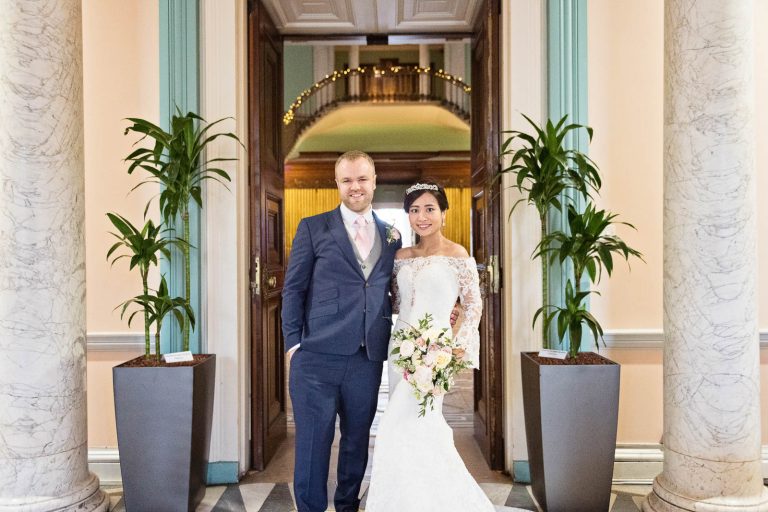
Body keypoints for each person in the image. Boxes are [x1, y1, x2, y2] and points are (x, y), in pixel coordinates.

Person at [281, 151, 402, 512]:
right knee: (314, 443)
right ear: (337, 183)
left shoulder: (391, 235)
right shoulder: (313, 227)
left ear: (374, 180)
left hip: (367, 357)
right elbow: (293, 289)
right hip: (316, 357)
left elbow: (392, 289)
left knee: (356, 441)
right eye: (347, 180)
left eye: (362, 179)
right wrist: (293, 345)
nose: (355, 187)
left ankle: (347, 505)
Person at [365, 180, 495, 512]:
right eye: (414, 210)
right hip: (401, 349)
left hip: (435, 351)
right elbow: (396, 302)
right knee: (402, 423)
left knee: (414, 422)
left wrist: (457, 346)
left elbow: (473, 304)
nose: (422, 217)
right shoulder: (401, 256)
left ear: (443, 213)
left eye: (429, 209)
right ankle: (406, 497)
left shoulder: (458, 255)